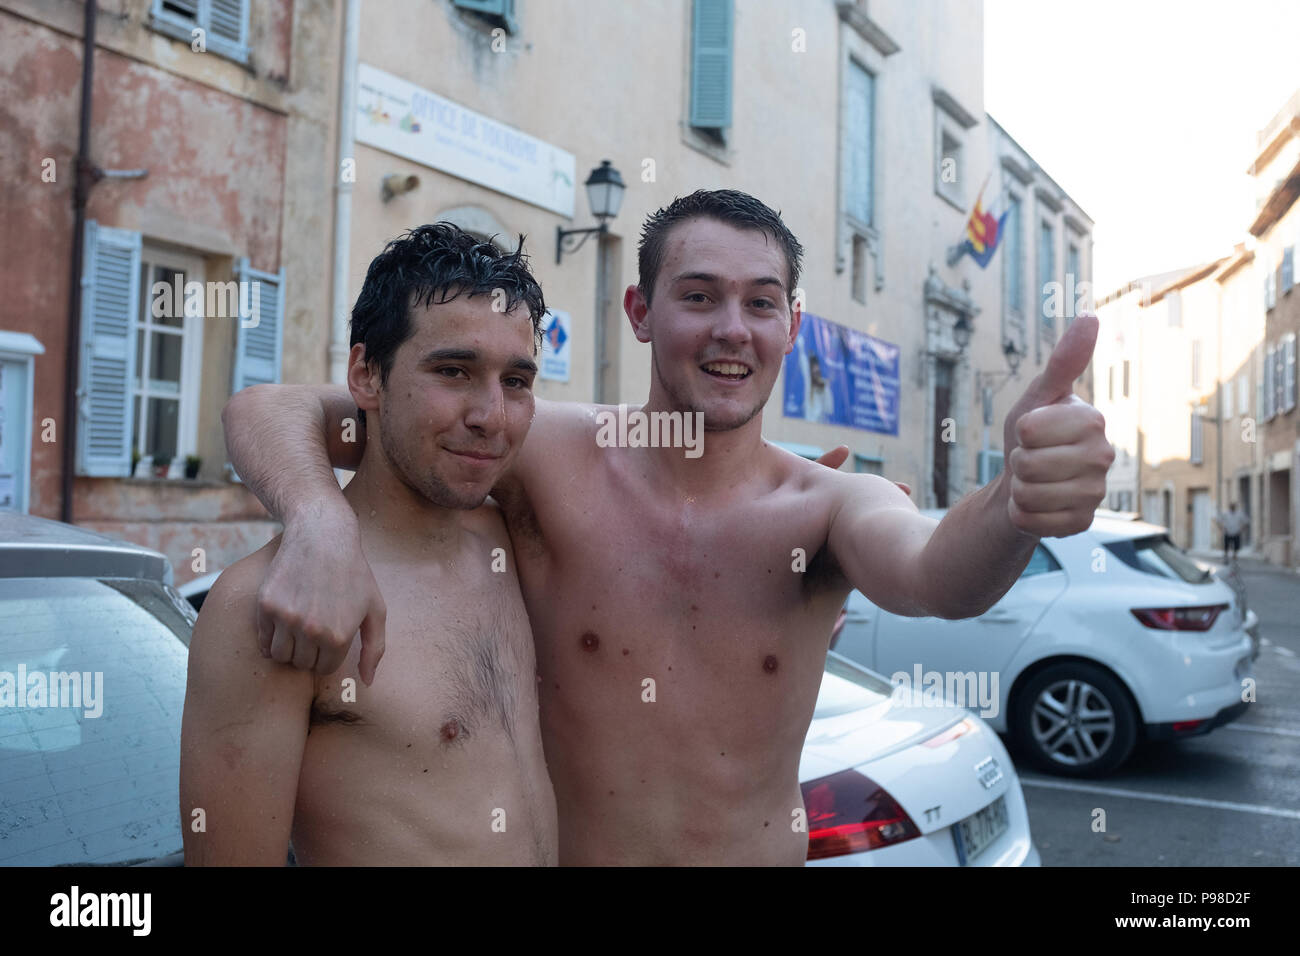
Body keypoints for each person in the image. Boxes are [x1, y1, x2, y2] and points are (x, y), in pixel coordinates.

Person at [222, 189, 1114, 865]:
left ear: (792, 325)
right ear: (641, 314)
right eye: (699, 296)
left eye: (763, 303)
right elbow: (278, 407)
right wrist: (315, 519)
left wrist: (1012, 505)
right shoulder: (541, 448)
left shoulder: (831, 506)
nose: (734, 329)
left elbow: (938, 577)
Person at [180, 224, 558, 865]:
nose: (491, 415)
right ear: (366, 375)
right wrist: (320, 519)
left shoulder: (515, 542)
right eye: (453, 371)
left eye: (516, 381)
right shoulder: (277, 603)